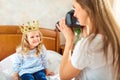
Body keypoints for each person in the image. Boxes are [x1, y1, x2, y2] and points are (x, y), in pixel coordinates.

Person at [57, 0, 120, 80]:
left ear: (87, 9)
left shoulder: (88, 45)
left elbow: (63, 76)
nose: (75, 14)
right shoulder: (114, 37)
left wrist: (69, 40)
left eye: (75, 8)